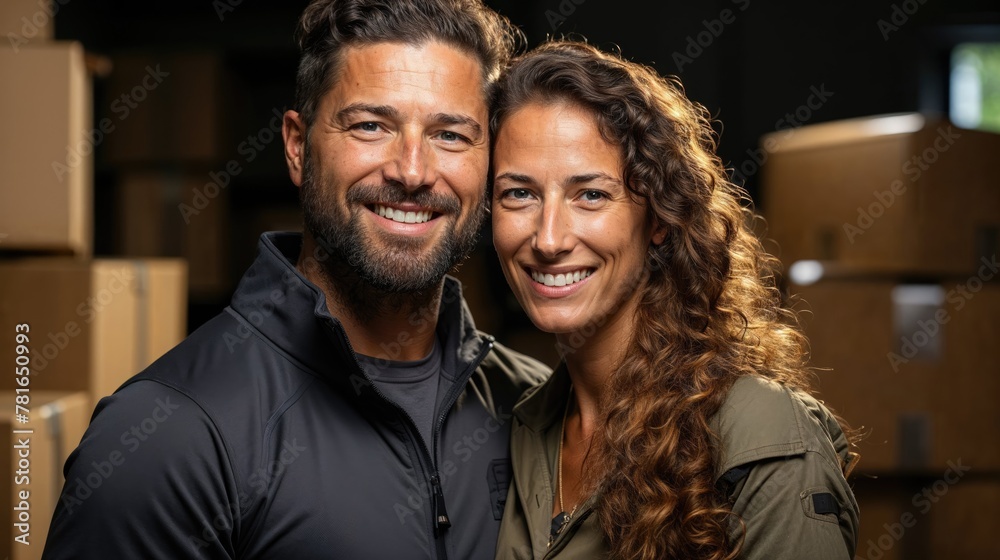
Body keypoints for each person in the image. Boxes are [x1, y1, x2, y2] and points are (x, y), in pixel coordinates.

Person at [42, 1, 549, 558]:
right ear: (296, 146)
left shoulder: (537, 408)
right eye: (370, 125)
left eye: (450, 135)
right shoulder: (166, 437)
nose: (412, 170)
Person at [490, 41, 859, 560]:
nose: (548, 239)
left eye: (591, 194)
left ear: (659, 218)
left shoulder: (760, 435)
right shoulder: (530, 427)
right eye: (519, 194)